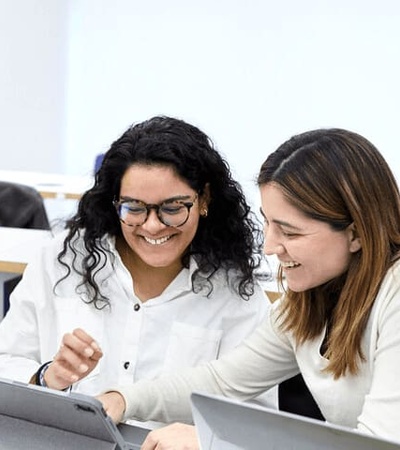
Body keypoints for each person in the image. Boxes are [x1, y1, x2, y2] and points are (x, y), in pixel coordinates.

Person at [98, 127, 400, 448]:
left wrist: (213, 444)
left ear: (356, 234)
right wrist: (123, 399)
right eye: (268, 223)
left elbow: (377, 444)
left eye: (290, 232)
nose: (269, 247)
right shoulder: (308, 302)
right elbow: (223, 382)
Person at [0, 116, 270, 418]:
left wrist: (200, 438)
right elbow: (6, 360)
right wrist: (47, 378)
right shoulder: (62, 262)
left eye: (172, 208)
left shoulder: (236, 294)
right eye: (134, 208)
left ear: (204, 199)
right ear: (113, 202)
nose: (152, 226)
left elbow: (254, 418)